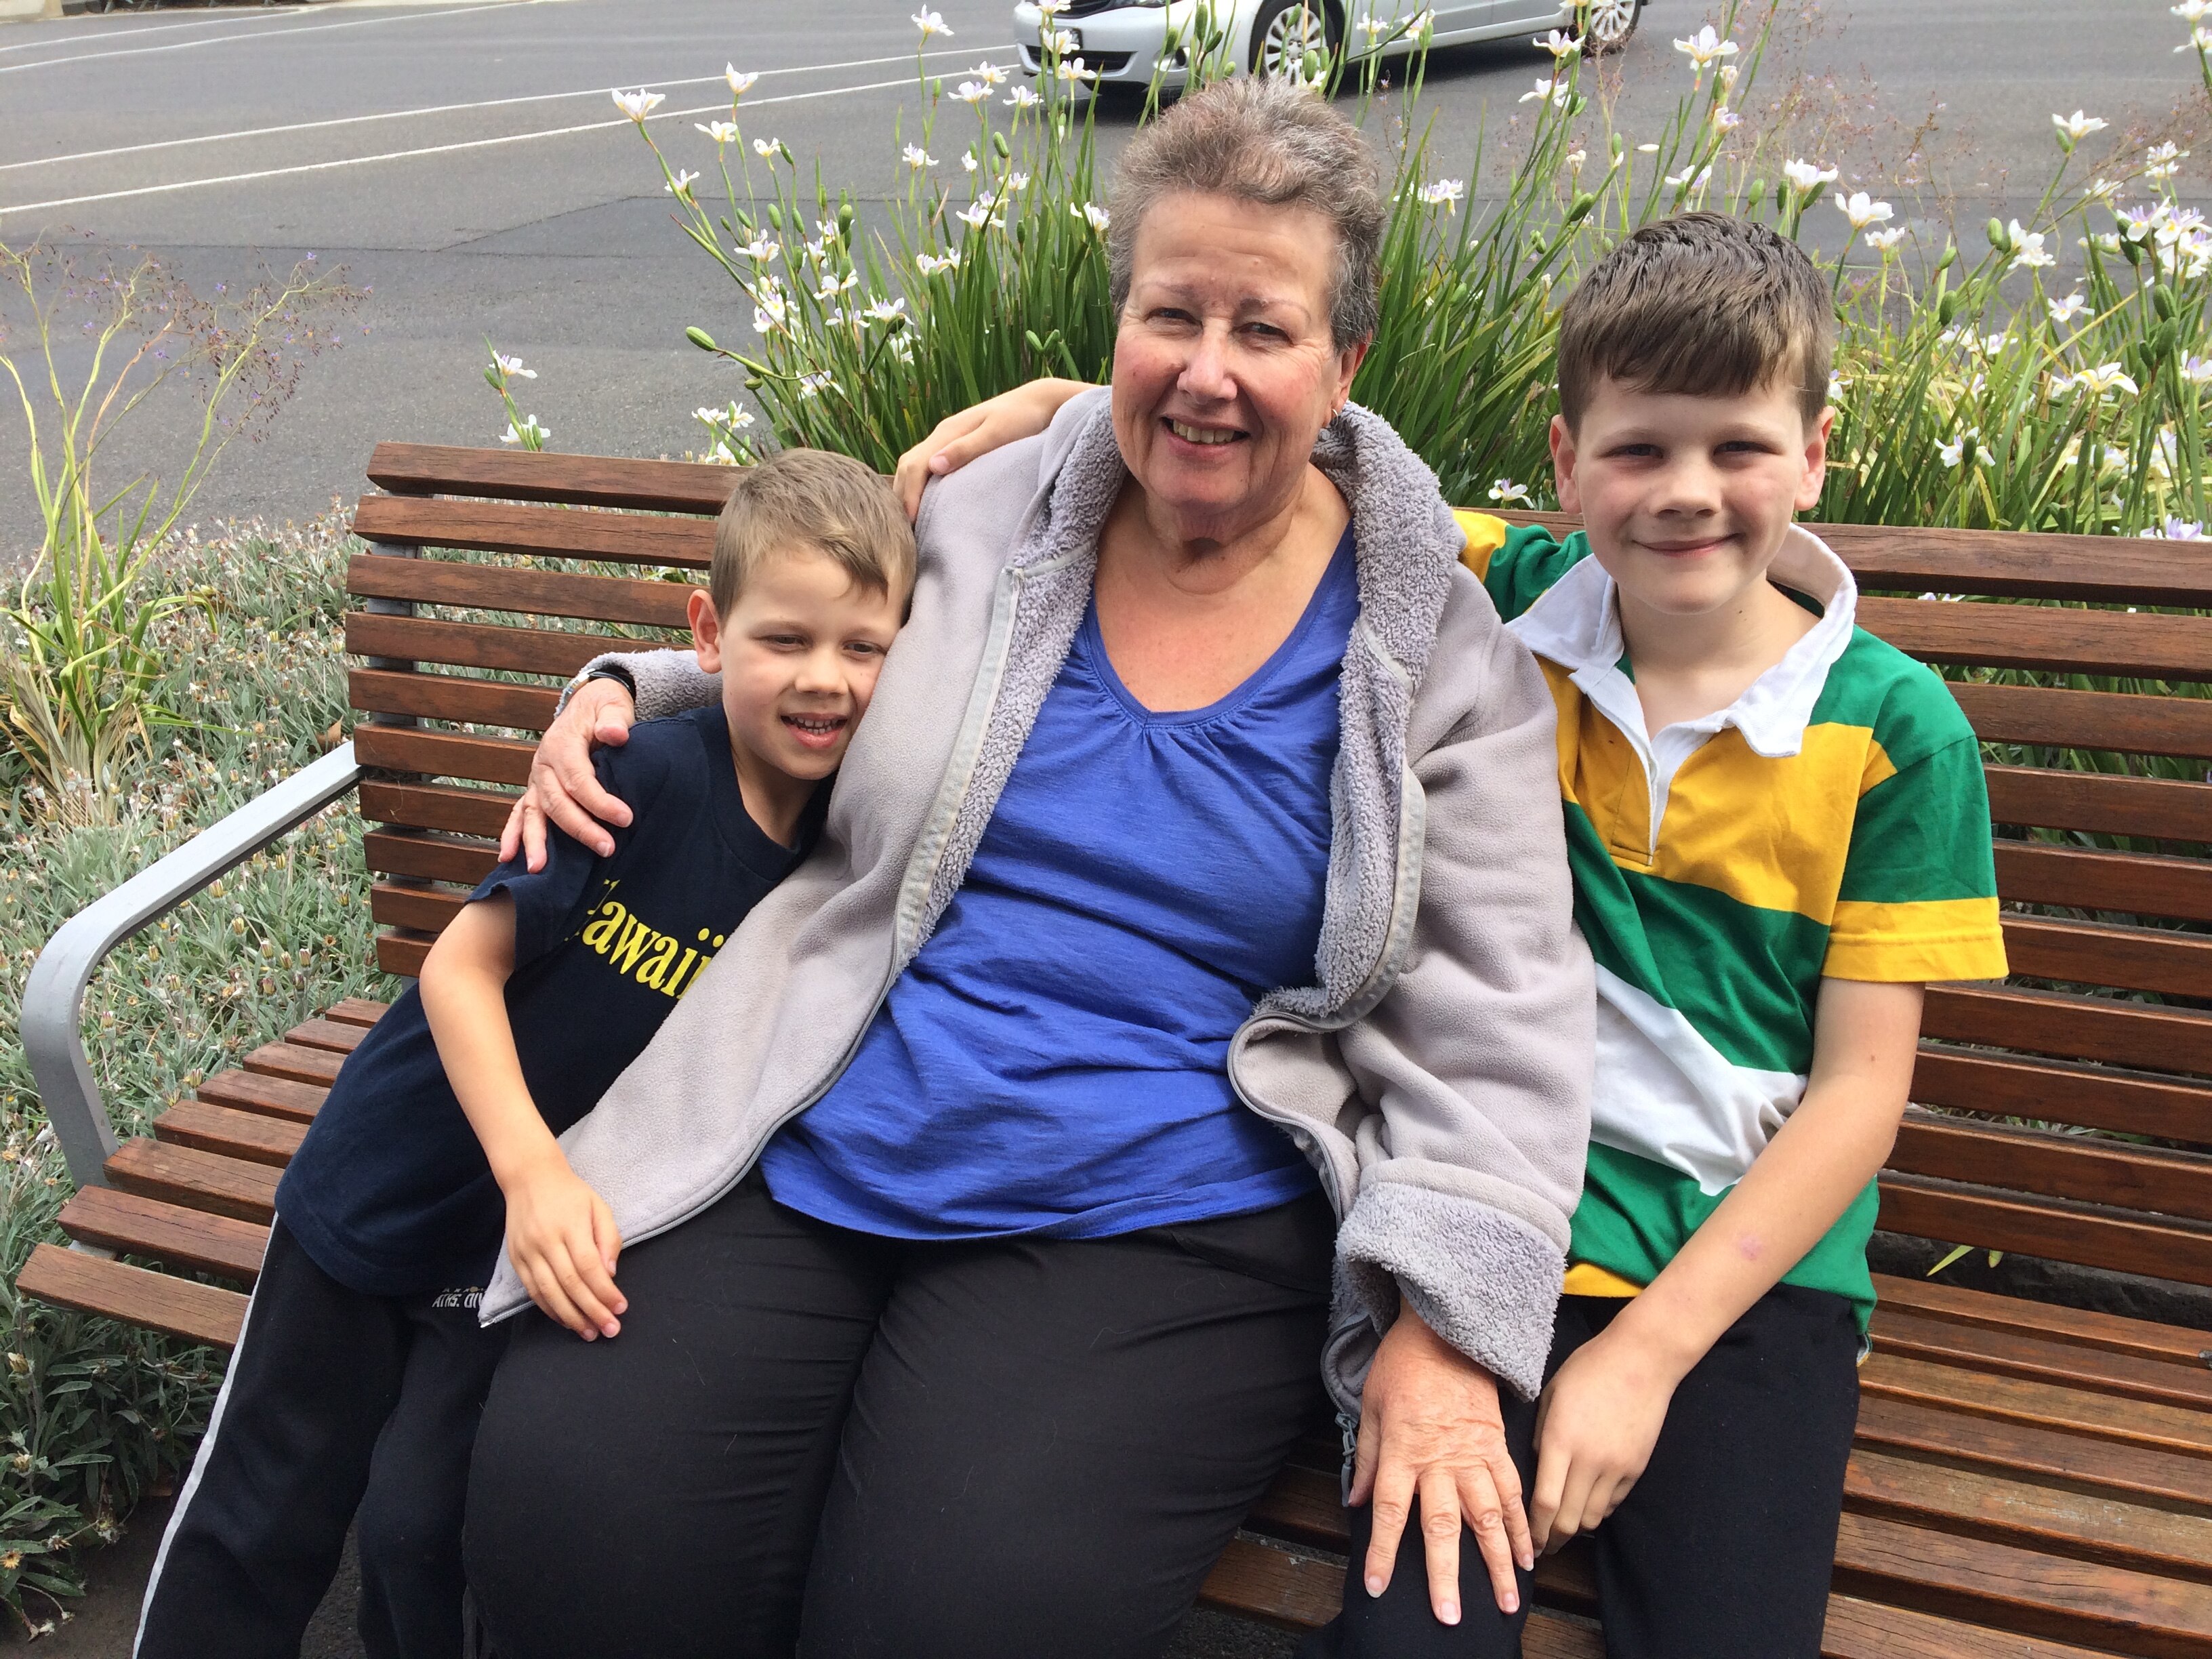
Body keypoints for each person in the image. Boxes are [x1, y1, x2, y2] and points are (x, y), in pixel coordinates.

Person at [462, 75, 1592, 1659]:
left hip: (1152, 1208)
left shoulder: (1432, 660)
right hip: (835, 1107)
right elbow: (809, 641)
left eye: (1263, 331)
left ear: (1346, 366)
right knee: (572, 1510)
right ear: (1116, 321)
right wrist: (625, 695)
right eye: (1167, 314)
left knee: (954, 1618)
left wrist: (1453, 1318)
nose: (1206, 374)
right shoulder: (994, 512)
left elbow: (1506, 1021)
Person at [915, 212, 2009, 1659]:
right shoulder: (1496, 609)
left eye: (1739, 448)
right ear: (1566, 463)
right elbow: (1298, 441)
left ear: (1813, 454)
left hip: (1742, 1284)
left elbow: (1862, 1097)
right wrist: (1066, 410)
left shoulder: (1893, 731)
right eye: (1638, 450)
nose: (1686, 494)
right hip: (1495, 1230)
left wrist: (1644, 1362)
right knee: (1414, 1633)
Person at [132, 449, 913, 1659]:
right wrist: (532, 1170)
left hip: (510, 1260)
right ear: (708, 635)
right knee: (264, 1508)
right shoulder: (634, 782)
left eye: (865, 647)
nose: (827, 681)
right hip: (393, 1183)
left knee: (423, 1530)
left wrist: (542, 1196)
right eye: (789, 640)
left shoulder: (841, 848)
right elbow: (457, 968)